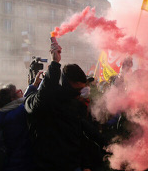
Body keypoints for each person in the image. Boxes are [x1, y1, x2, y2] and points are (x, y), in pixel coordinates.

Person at [25, 39, 104, 171]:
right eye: (76, 90)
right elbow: (45, 97)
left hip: (73, 164)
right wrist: (55, 63)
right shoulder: (37, 102)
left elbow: (79, 135)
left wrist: (86, 164)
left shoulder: (73, 104)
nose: (79, 94)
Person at [0, 82, 37, 171]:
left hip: (7, 164)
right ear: (12, 99)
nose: (21, 93)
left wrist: (33, 86)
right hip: (22, 164)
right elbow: (31, 102)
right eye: (18, 92)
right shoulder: (17, 114)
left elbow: (21, 102)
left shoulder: (2, 114)